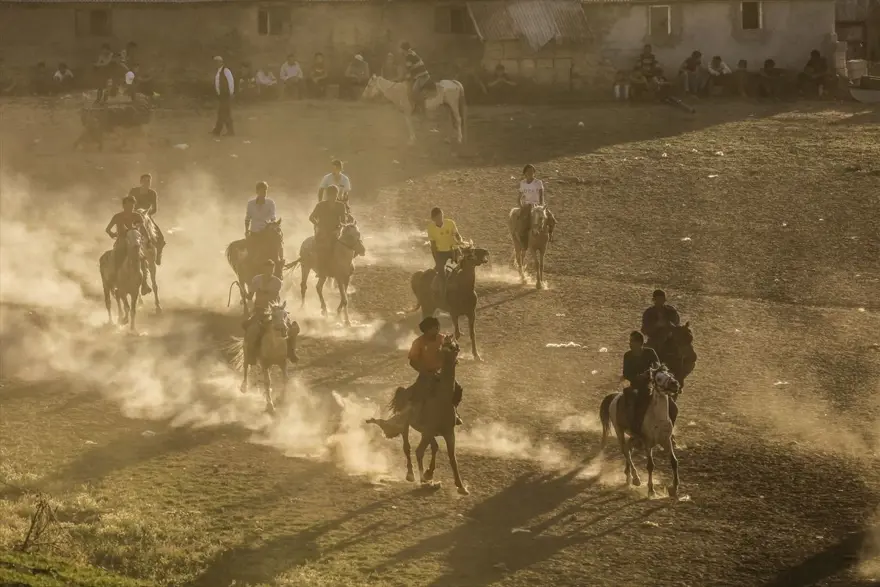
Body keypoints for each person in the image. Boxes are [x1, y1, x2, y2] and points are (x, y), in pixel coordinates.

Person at [620, 331, 676, 438]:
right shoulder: (628, 355)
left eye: (632, 341)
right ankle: (635, 433)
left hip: (652, 386)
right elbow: (626, 373)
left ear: (640, 342)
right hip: (637, 387)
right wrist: (639, 377)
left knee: (673, 408)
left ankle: (669, 432)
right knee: (634, 406)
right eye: (630, 341)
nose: (630, 343)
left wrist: (652, 371)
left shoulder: (650, 352)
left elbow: (659, 367)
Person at [243, 259, 300, 363]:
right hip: (259, 310)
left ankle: (291, 352)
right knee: (252, 330)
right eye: (267, 268)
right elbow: (250, 296)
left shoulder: (277, 282)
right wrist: (245, 294)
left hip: (275, 310)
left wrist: (261, 292)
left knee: (292, 328)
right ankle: (251, 355)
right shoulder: (256, 279)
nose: (269, 271)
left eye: (271, 269)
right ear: (263, 269)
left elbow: (273, 295)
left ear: (273, 270)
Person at [105, 195, 151, 295]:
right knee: (117, 258)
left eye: (132, 205)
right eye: (128, 205)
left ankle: (144, 284)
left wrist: (148, 239)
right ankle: (114, 281)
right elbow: (108, 229)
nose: (130, 208)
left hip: (135, 241)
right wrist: (112, 234)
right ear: (124, 206)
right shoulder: (117, 216)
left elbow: (142, 229)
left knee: (142, 260)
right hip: (121, 241)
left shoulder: (137, 216)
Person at [309, 185, 348, 277]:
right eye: (330, 195)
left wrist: (339, 229)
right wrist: (319, 226)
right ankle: (321, 269)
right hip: (322, 232)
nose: (333, 197)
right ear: (327, 195)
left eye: (334, 195)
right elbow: (311, 218)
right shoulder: (320, 205)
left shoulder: (341, 206)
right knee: (322, 248)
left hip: (336, 232)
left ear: (337, 195)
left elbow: (343, 221)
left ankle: (347, 267)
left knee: (347, 246)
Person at [128, 173, 165, 265]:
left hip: (146, 217)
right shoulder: (134, 191)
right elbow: (128, 204)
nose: (147, 183)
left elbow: (154, 209)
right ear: (141, 182)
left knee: (160, 237)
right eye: (145, 181)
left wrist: (146, 214)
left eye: (149, 181)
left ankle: (158, 255)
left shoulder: (152, 193)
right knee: (124, 233)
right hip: (133, 217)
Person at [427, 207, 463, 299]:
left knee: (459, 270)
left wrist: (459, 240)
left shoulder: (450, 223)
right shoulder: (431, 228)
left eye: (441, 216)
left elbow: (457, 235)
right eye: (438, 218)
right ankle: (442, 298)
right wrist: (437, 260)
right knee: (442, 276)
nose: (440, 219)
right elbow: (433, 245)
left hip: (452, 251)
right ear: (433, 219)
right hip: (440, 254)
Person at [517, 164, 557, 247]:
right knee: (523, 223)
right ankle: (524, 242)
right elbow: (519, 196)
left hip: (538, 205)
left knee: (552, 219)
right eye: (528, 171)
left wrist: (541, 205)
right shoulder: (522, 183)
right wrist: (520, 205)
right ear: (525, 173)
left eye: (532, 171)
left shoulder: (538, 182)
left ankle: (550, 234)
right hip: (527, 205)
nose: (530, 173)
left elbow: (541, 194)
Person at [245, 181, 279, 270]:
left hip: (267, 231)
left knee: (277, 244)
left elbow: (273, 215)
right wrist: (246, 230)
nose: (263, 193)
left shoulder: (270, 203)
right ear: (257, 192)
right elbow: (248, 218)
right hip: (255, 232)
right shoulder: (250, 204)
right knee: (251, 254)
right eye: (261, 191)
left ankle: (279, 264)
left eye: (265, 191)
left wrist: (273, 223)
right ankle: (248, 270)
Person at [400, 41, 430, 114]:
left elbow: (409, 68)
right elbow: (410, 69)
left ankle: (422, 109)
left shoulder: (409, 56)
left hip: (422, 75)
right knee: (410, 90)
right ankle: (416, 107)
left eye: (401, 49)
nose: (400, 51)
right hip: (418, 75)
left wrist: (405, 77)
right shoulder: (410, 54)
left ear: (404, 49)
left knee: (414, 91)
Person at [212, 56, 235, 136]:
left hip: (226, 95)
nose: (217, 63)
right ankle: (218, 130)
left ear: (221, 62)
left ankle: (229, 131)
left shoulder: (226, 70)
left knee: (225, 113)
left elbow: (231, 82)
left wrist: (231, 93)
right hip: (221, 95)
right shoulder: (218, 72)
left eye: (218, 61)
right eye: (215, 62)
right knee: (222, 113)